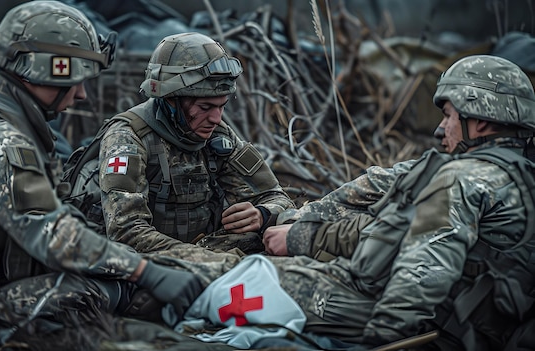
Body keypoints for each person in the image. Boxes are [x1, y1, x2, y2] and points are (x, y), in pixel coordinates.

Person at [149, 54, 535, 351]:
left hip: (420, 319)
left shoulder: (464, 179)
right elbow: (384, 185)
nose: (440, 128)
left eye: (449, 116)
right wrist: (291, 218)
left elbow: (422, 273)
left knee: (236, 284)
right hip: (453, 314)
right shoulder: (509, 173)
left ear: (480, 121)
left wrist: (380, 339)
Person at [0, 1, 203, 340]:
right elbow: (52, 234)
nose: (81, 94)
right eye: (75, 80)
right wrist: (142, 271)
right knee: (111, 295)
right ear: (42, 71)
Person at [97, 32, 296, 253]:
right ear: (171, 100)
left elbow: (277, 197)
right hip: (147, 266)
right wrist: (211, 262)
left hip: (202, 255)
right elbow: (126, 233)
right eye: (205, 107)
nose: (216, 118)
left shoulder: (218, 137)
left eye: (222, 106)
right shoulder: (129, 138)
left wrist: (262, 214)